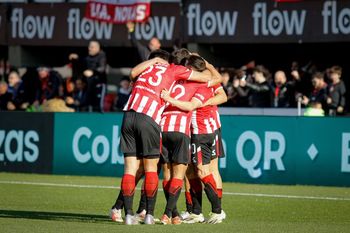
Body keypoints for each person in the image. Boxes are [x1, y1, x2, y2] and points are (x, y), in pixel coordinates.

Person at [114, 49, 220, 225]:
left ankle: (128, 213)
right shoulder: (180, 74)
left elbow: (133, 73)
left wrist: (154, 61)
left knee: (135, 170)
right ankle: (157, 214)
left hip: (136, 117)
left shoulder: (148, 71)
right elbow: (214, 80)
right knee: (158, 171)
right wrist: (206, 65)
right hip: (166, 125)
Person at [158, 55, 219, 225]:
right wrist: (209, 65)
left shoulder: (172, 80)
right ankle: (168, 213)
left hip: (163, 128)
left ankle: (173, 214)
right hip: (181, 131)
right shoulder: (199, 84)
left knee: (168, 173)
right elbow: (216, 80)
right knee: (181, 174)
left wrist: (168, 98)